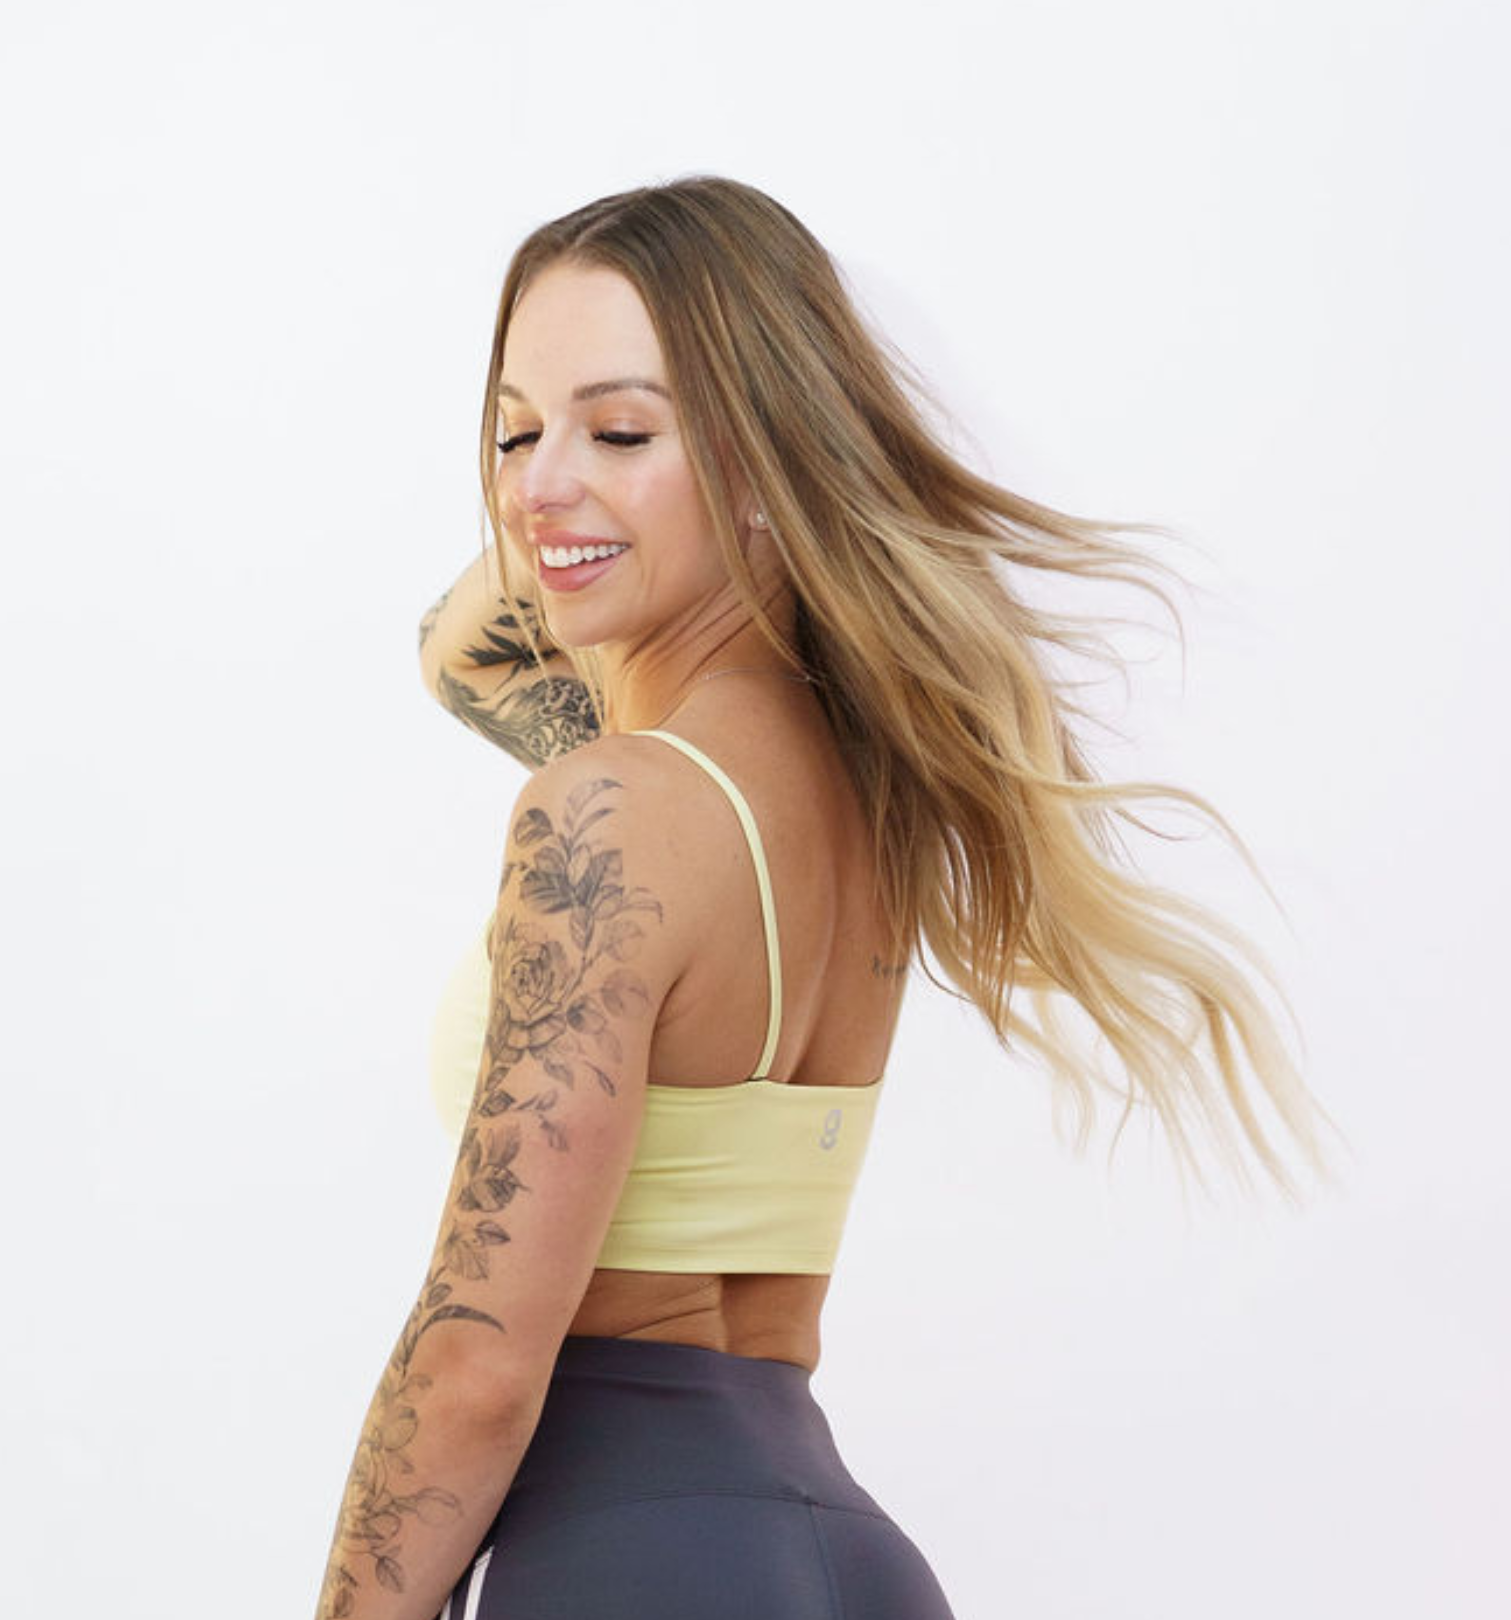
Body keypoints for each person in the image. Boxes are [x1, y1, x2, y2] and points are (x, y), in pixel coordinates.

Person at [313, 176, 1341, 1619]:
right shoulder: (867, 798)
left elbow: (476, 1362)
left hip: (620, 1556)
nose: (539, 483)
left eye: (622, 429)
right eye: (513, 429)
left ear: (764, 458)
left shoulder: (611, 810)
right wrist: (607, 482)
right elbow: (461, 655)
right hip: (840, 1554)